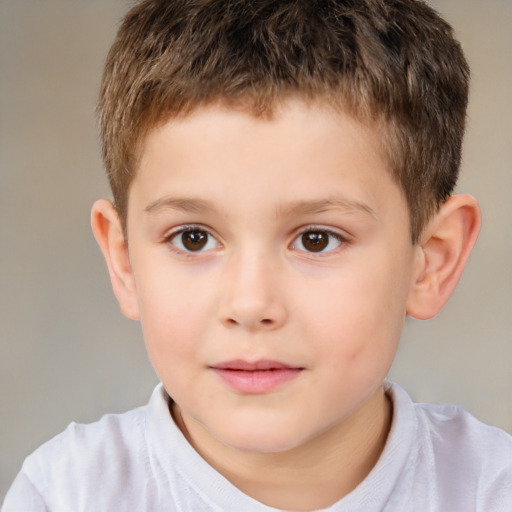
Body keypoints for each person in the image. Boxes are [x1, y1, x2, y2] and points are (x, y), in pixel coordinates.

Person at [3, 0, 511, 510]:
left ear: (431, 261)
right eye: (193, 238)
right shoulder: (67, 493)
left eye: (317, 239)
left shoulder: (490, 489)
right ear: (124, 260)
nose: (250, 305)